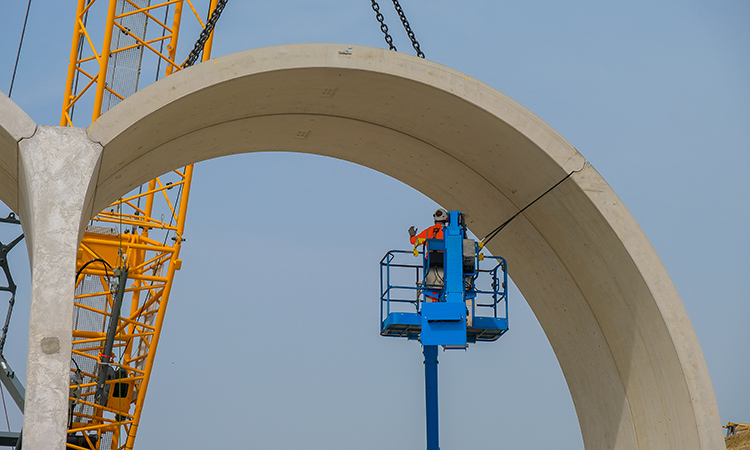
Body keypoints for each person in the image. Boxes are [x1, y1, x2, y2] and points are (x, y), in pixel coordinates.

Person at [409, 209, 449, 301]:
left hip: (430, 263)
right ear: (446, 219)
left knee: (431, 287)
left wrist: (412, 235)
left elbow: (413, 241)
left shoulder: (429, 231)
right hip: (446, 262)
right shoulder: (449, 232)